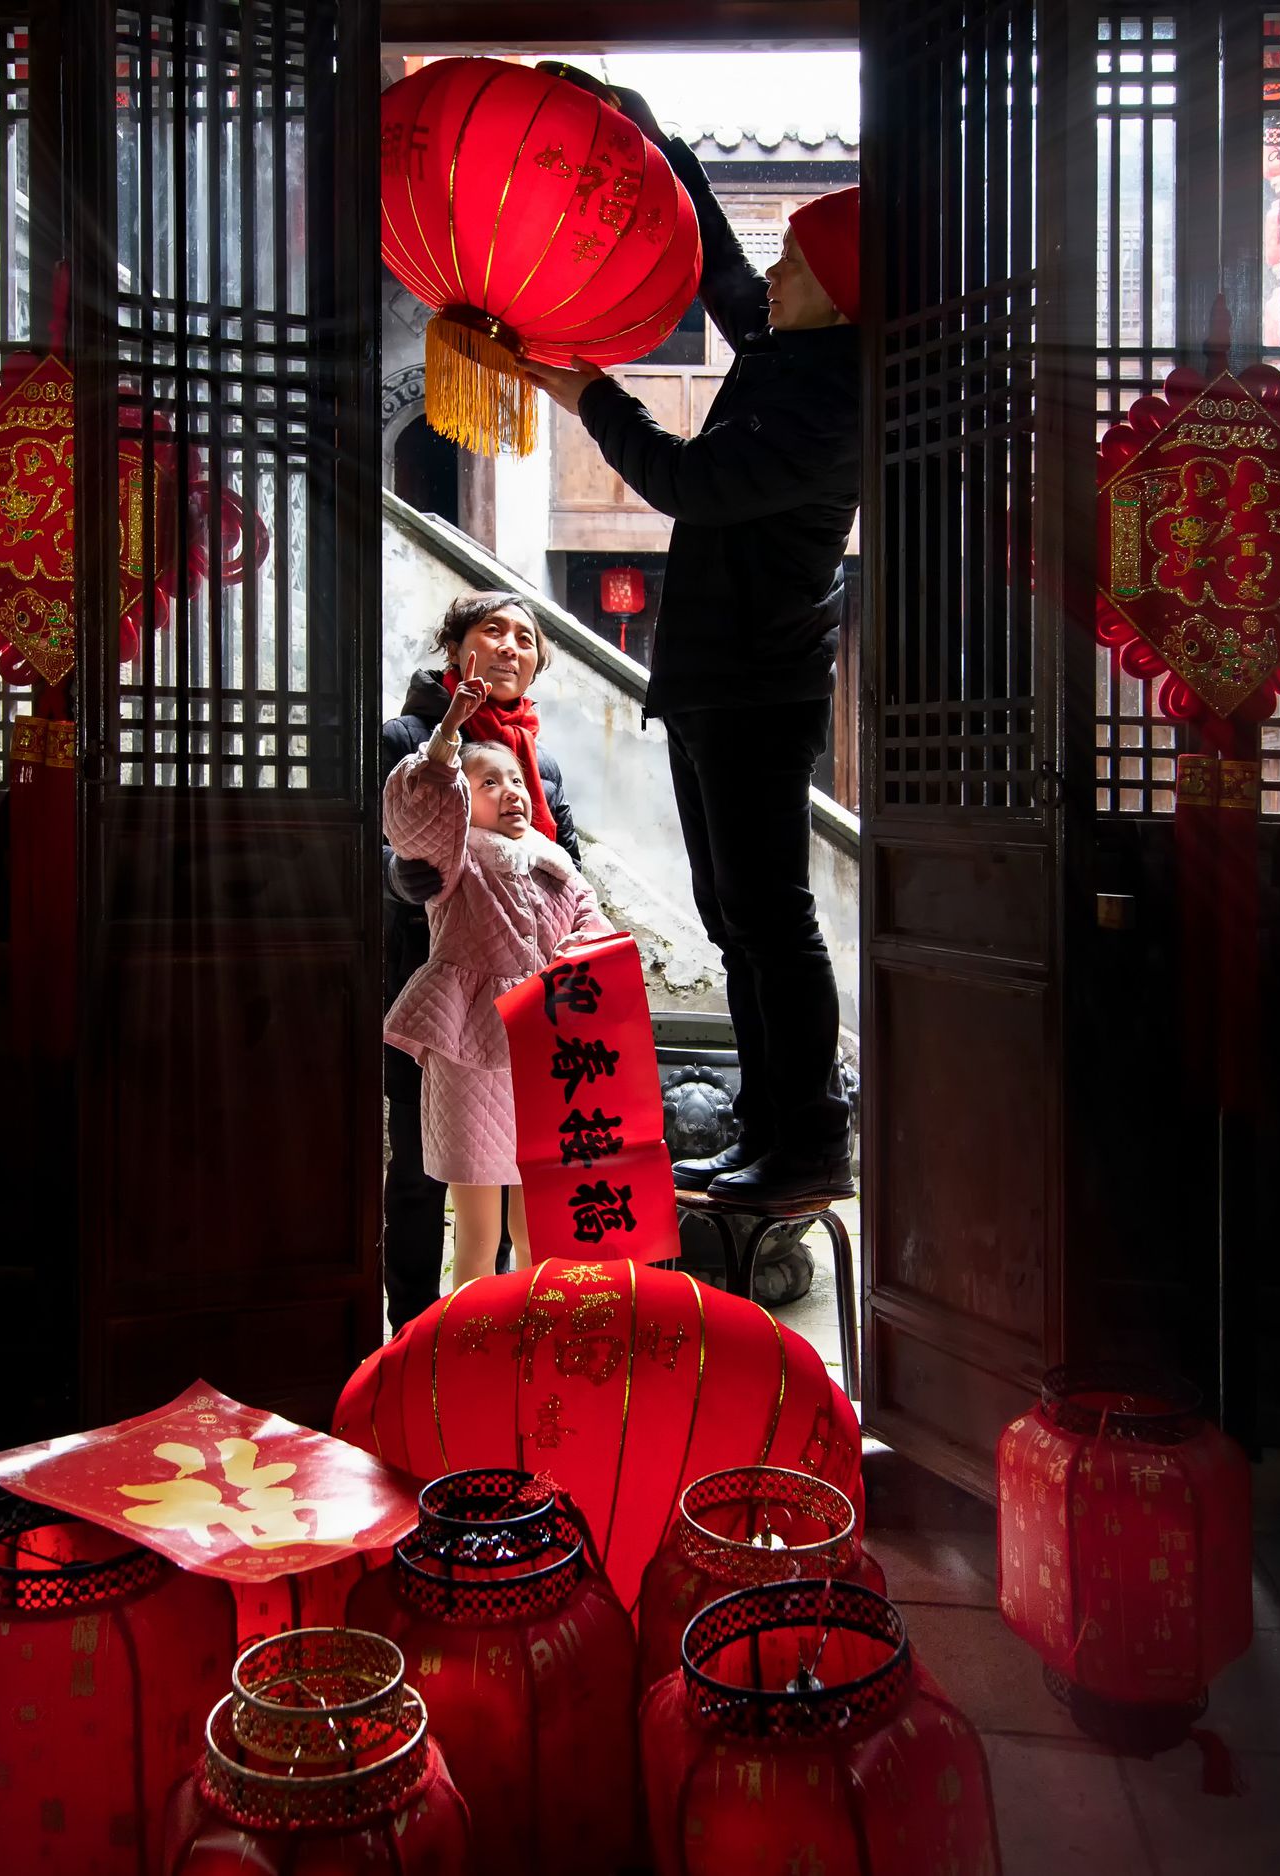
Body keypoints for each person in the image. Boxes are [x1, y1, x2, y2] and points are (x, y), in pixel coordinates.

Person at [521, 80, 862, 1206]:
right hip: (717, 678)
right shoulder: (792, 352)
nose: (776, 277)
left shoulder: (832, 401)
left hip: (760, 683)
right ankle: (769, 1130)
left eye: (797, 265)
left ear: (841, 298)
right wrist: (651, 135)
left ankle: (808, 1141)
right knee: (733, 919)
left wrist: (590, 394)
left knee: (769, 919)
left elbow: (689, 481)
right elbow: (723, 269)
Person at [379, 593, 585, 1327]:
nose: (509, 647)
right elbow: (378, 831)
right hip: (433, 981)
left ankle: (495, 1329)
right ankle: (411, 1329)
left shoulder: (539, 759)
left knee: (516, 1172)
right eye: (492, 631)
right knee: (419, 1168)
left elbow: (567, 858)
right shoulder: (408, 736)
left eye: (525, 639)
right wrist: (395, 873)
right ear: (455, 647)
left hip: (527, 1002)